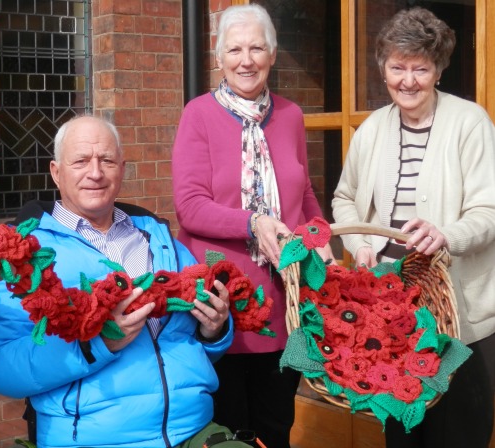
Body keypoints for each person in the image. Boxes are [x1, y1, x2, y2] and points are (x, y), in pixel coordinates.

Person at [0, 115, 251, 448]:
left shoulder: (163, 243)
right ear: (56, 173)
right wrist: (95, 345)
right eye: (80, 161)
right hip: (94, 437)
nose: (95, 173)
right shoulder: (24, 256)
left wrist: (214, 330)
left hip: (193, 429)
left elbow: (186, 347)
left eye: (106, 160)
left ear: (122, 169)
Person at [332, 7, 495, 448]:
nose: (408, 80)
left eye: (420, 68)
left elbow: (489, 211)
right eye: (397, 67)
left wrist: (447, 234)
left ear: (438, 70)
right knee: (404, 430)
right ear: (383, 68)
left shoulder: (470, 122)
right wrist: (361, 243)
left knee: (460, 431)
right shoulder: (371, 130)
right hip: (392, 315)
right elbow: (345, 199)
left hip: (460, 314)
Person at [171, 5, 331, 447]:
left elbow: (303, 189)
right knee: (231, 433)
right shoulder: (198, 115)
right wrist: (254, 221)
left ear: (273, 54)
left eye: (256, 47)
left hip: (286, 297)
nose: (247, 59)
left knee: (277, 426)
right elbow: (189, 207)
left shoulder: (292, 115)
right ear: (219, 57)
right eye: (235, 49)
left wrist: (320, 235)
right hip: (223, 302)